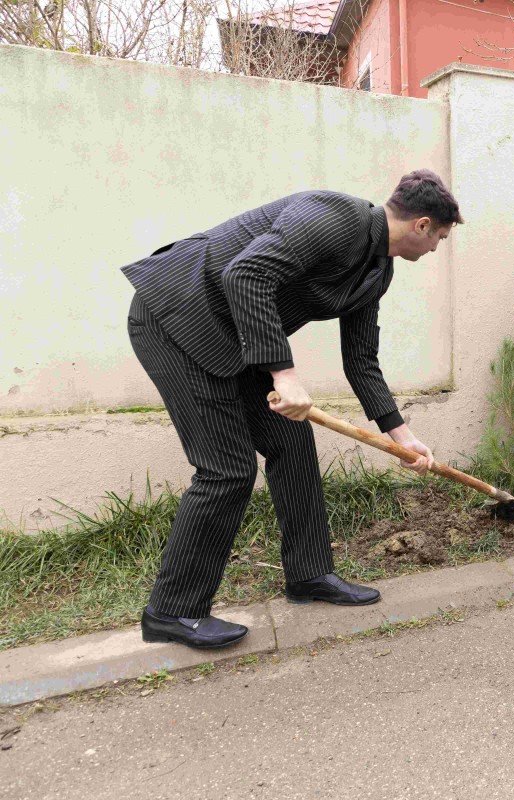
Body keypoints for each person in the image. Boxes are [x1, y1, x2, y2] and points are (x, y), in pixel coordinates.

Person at [123, 170, 461, 649]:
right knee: (227, 469)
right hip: (175, 315)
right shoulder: (332, 216)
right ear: (423, 225)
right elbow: (246, 272)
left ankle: (309, 574)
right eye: (441, 238)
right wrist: (284, 374)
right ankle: (172, 611)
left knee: (292, 441)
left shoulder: (376, 271)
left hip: (232, 336)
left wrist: (401, 437)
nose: (436, 250)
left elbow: (361, 359)